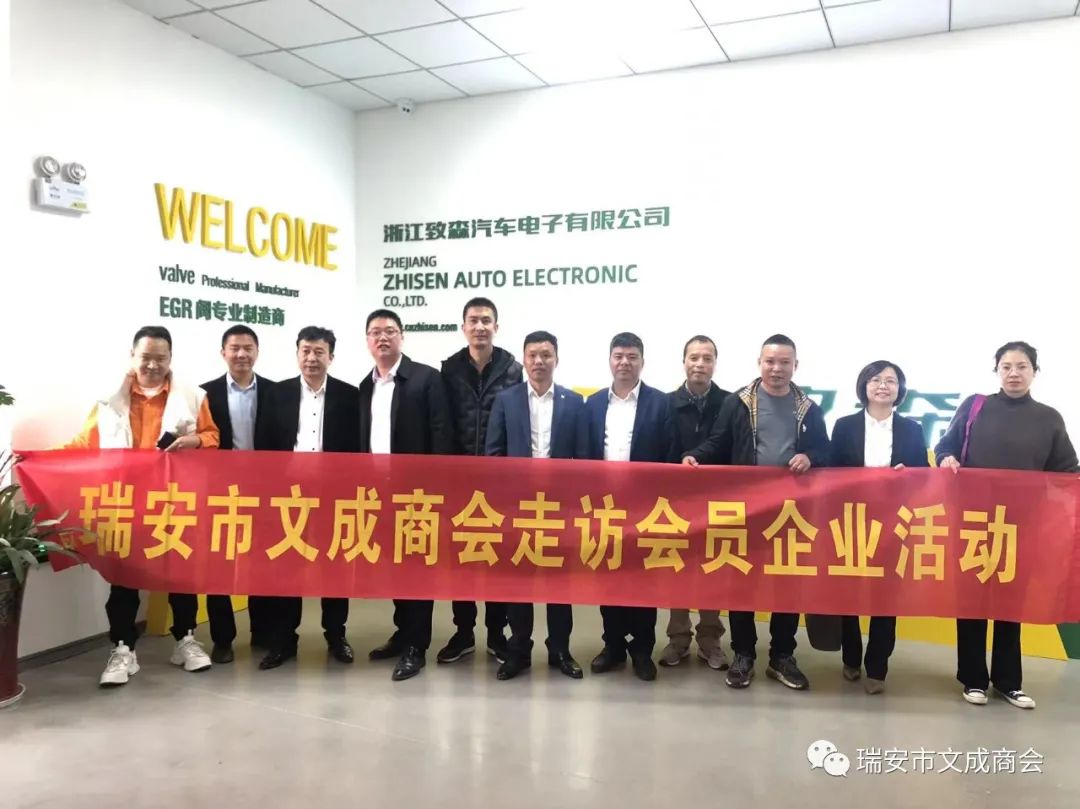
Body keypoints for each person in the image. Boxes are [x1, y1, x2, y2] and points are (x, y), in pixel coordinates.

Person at [65, 325, 219, 687]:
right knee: (124, 578)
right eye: (146, 357)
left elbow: (212, 437)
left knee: (181, 573)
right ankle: (123, 649)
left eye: (160, 358)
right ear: (132, 357)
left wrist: (193, 441)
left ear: (170, 359)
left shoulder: (193, 396)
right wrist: (38, 458)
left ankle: (185, 640)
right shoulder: (108, 401)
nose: (152, 365)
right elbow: (84, 444)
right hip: (124, 502)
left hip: (174, 500)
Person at [934, 341, 1078, 709]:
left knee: (1011, 606)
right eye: (1006, 366)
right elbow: (945, 447)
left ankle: (1009, 682)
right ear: (997, 371)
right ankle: (973, 678)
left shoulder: (1049, 418)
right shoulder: (975, 407)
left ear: (1035, 372)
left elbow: (1066, 470)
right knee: (972, 603)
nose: (1014, 373)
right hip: (974, 523)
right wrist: (947, 458)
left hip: (1022, 526)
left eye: (1022, 366)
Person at [683, 334, 829, 691]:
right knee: (741, 583)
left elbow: (826, 450)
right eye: (770, 362)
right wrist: (695, 457)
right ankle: (743, 654)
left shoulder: (809, 408)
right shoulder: (738, 402)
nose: (776, 369)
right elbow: (719, 442)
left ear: (796, 366)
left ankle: (782, 656)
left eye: (784, 363)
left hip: (791, 514)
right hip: (746, 509)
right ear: (759, 363)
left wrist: (810, 456)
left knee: (787, 584)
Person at [358, 310, 455, 681]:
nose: (382, 338)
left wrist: (436, 491)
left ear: (402, 336)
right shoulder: (365, 385)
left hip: (417, 495)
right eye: (375, 332)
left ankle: (417, 646)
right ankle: (403, 633)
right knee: (394, 568)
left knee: (417, 569)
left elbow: (442, 436)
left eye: (389, 331)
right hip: (377, 494)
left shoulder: (426, 379)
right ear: (367, 340)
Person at [485, 330, 585, 681]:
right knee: (519, 583)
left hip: (560, 509)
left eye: (546, 355)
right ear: (524, 360)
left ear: (556, 359)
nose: (539, 361)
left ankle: (560, 650)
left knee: (560, 584)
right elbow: (493, 454)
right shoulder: (506, 400)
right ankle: (518, 652)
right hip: (518, 508)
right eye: (533, 355)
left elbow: (584, 461)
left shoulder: (574, 402)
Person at [259, 326, 360, 670]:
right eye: (306, 351)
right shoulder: (277, 393)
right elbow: (264, 445)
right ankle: (284, 639)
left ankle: (336, 635)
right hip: (289, 496)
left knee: (336, 566)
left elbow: (356, 449)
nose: (312, 358)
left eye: (319, 352)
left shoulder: (349, 395)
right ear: (297, 354)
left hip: (334, 496)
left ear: (331, 357)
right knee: (288, 567)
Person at [580, 332, 678, 682]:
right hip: (605, 508)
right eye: (619, 356)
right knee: (609, 579)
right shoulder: (592, 404)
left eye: (632, 356)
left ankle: (642, 650)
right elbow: (584, 456)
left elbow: (670, 455)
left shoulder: (661, 403)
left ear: (642, 362)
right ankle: (613, 646)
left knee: (643, 581)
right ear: (610, 360)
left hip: (646, 509)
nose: (625, 362)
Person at [830, 360, 928, 694]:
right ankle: (850, 658)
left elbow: (925, 476)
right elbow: (830, 473)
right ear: (864, 386)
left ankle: (877, 668)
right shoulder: (844, 426)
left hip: (894, 524)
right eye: (875, 380)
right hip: (851, 521)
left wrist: (908, 475)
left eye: (890, 380)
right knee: (849, 595)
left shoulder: (912, 429)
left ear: (900, 389)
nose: (883, 386)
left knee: (886, 599)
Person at [437, 297, 523, 665]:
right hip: (459, 481)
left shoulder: (513, 369)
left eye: (486, 320)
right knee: (462, 559)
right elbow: (443, 422)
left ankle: (497, 634)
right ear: (464, 327)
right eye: (473, 320)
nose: (480, 327)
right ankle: (463, 632)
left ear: (496, 327)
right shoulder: (449, 369)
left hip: (500, 481)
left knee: (497, 558)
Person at [199, 325, 277, 662]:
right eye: (235, 348)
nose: (242, 354)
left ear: (257, 352)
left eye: (248, 348)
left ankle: (263, 630)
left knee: (263, 562)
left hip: (265, 491)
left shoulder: (275, 392)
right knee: (219, 567)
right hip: (220, 493)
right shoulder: (204, 394)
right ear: (223, 353)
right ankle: (222, 639)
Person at [660, 335, 731, 671]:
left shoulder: (730, 403)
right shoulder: (666, 403)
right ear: (684, 362)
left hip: (718, 503)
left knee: (713, 569)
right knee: (678, 569)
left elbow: (729, 446)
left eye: (707, 358)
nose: (700, 364)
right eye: (694, 358)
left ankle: (710, 639)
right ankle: (678, 638)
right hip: (676, 503)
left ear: (715, 363)